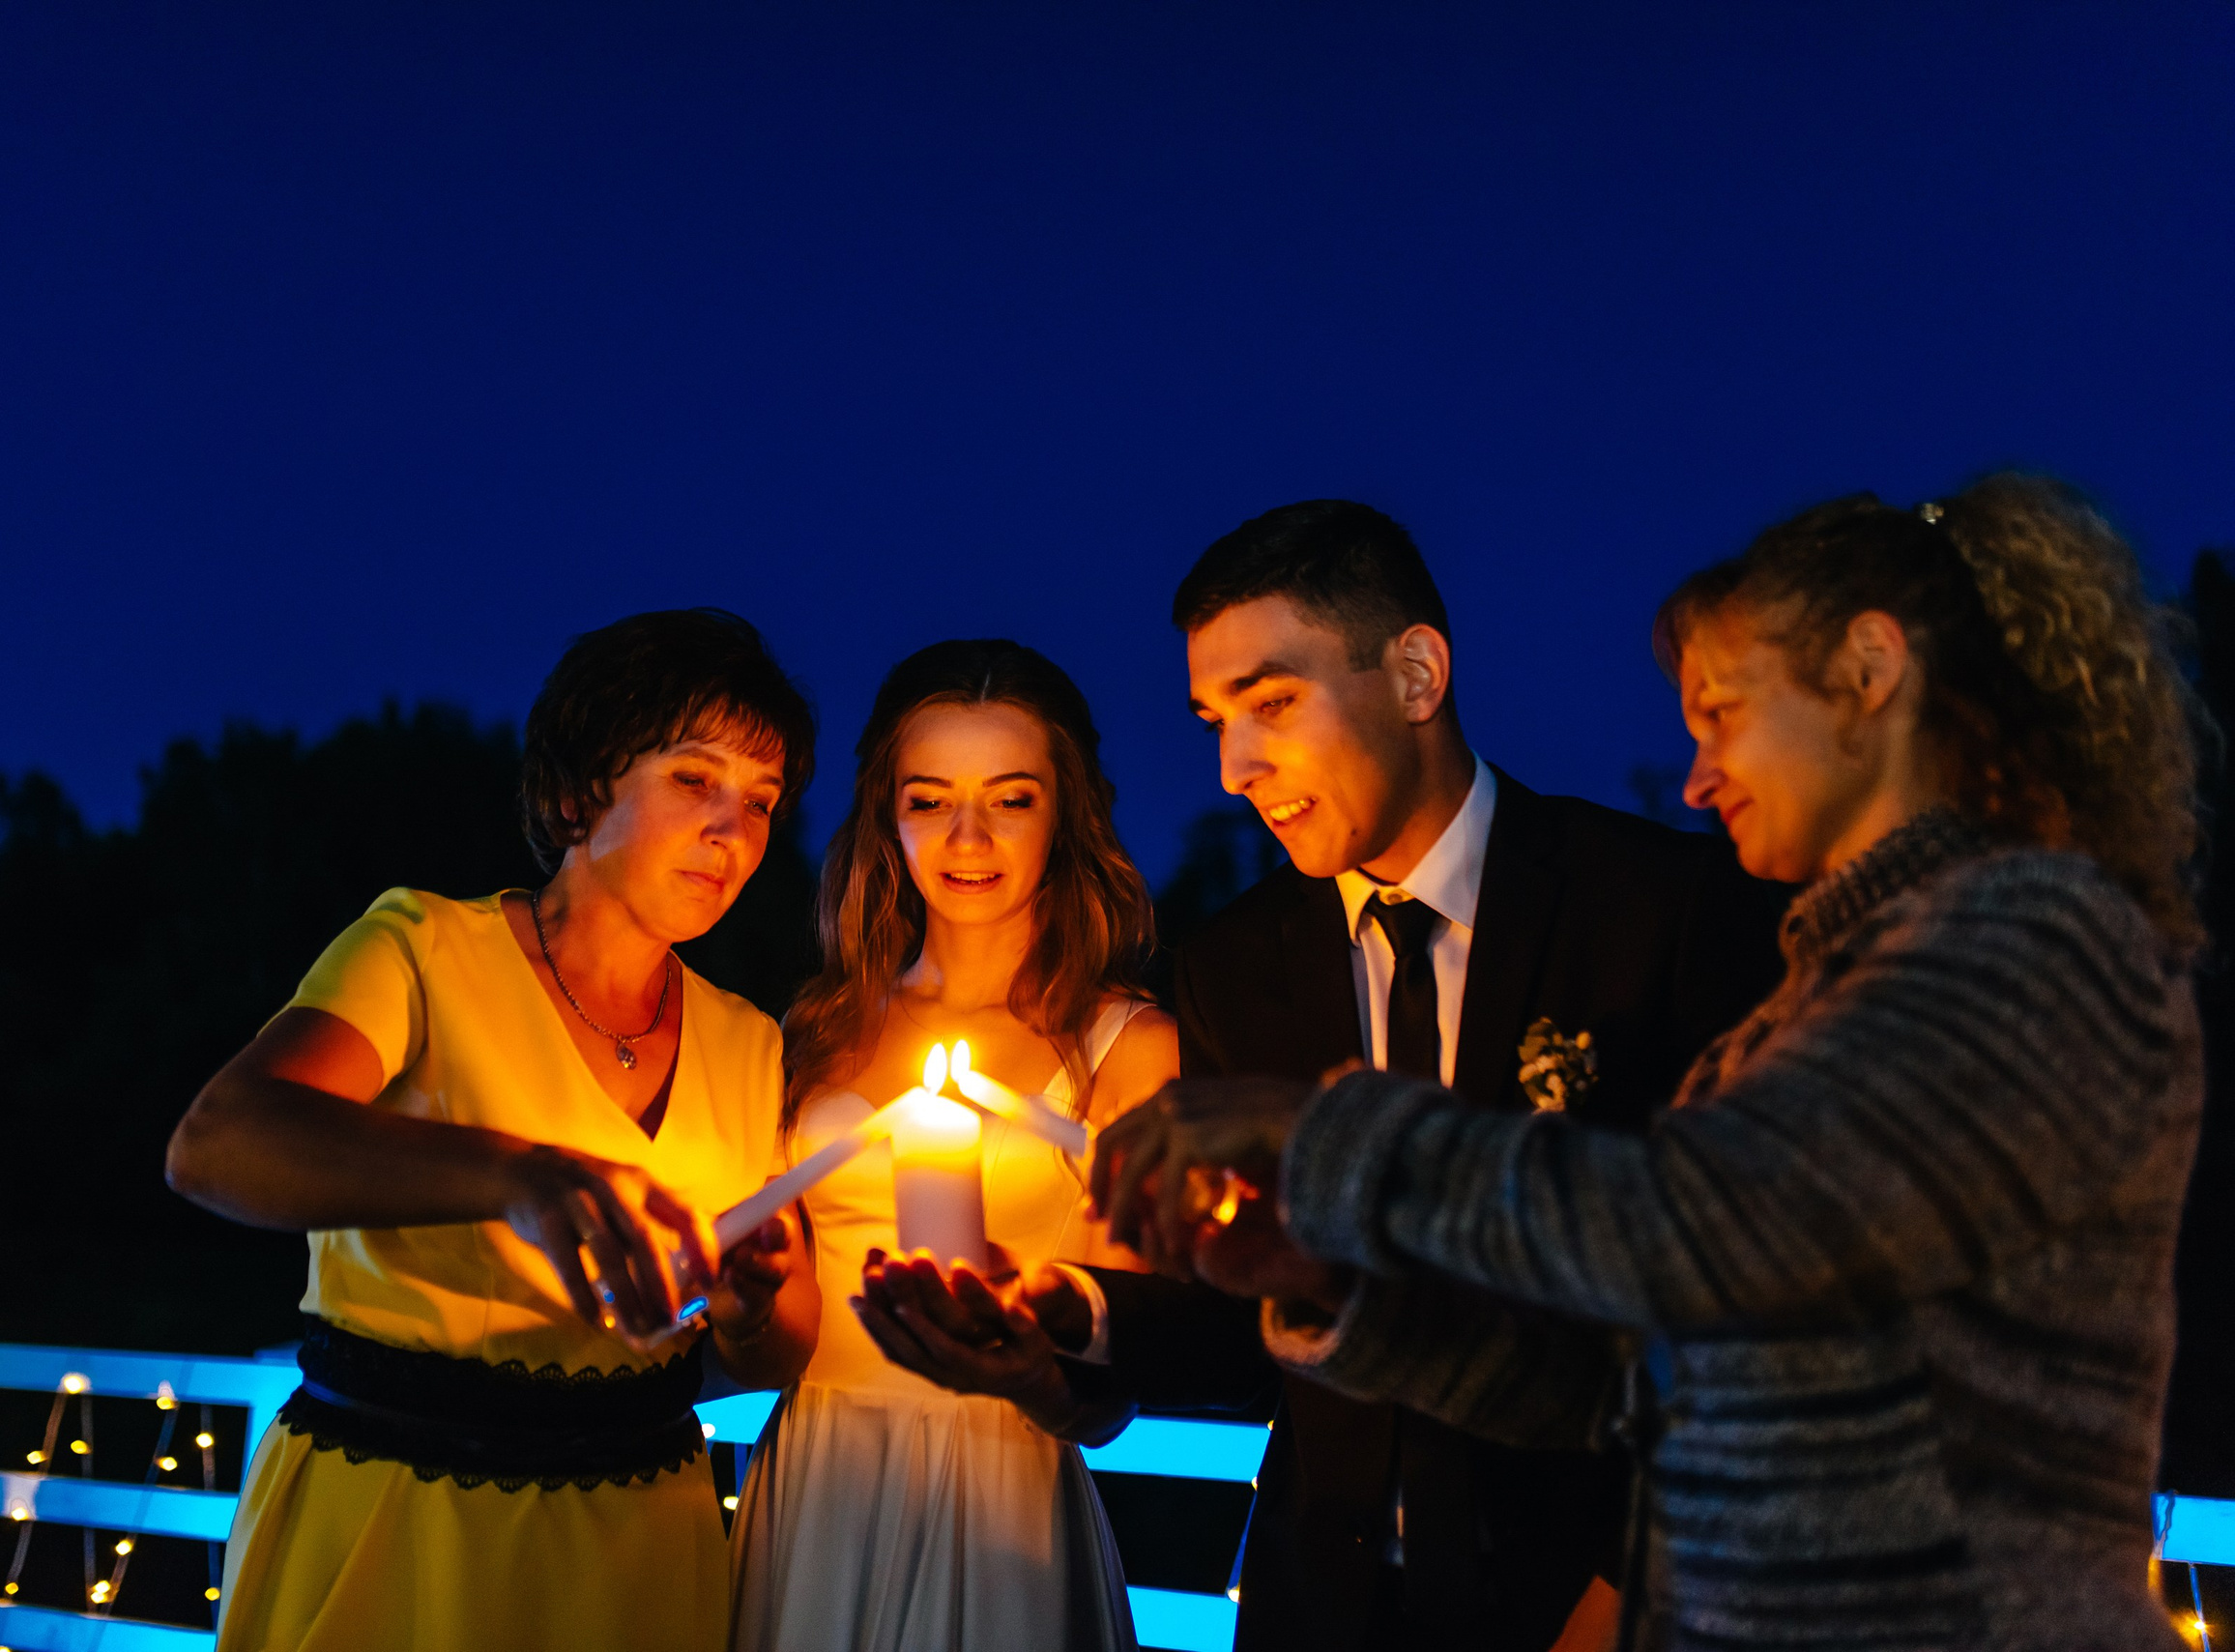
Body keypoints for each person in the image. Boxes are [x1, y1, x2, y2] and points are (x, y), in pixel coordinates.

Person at [1109, 477, 2208, 1650]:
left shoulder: (2025, 933)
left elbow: (1712, 1216)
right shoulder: (1825, 990)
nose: (1692, 778)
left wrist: (1318, 1131)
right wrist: (1333, 1288)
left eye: (1722, 715)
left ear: (1869, 672)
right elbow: (1643, 1375)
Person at [868, 500, 1785, 1652]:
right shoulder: (1232, 964)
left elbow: (1741, 1315)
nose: (1232, 766)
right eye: (1211, 719)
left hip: (1603, 1601)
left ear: (1414, 673)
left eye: (1270, 703)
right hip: (1321, 1606)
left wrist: (1625, 1593)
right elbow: (1249, 1304)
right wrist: (1073, 1312)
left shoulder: (1661, 911)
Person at [164, 608, 823, 1652]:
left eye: (761, 800)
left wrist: (751, 1298)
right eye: (693, 779)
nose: (731, 831)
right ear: (576, 792)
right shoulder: (421, 948)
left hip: (639, 1545)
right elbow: (219, 1141)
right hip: (396, 1522)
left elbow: (780, 1347)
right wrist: (519, 1174)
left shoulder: (748, 1041)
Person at [726, 638, 1179, 1652]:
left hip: (1002, 1486)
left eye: (1010, 798)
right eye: (928, 798)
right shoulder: (818, 1029)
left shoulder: (1127, 1047)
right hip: (817, 1473)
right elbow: (774, 1324)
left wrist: (1026, 1359)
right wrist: (740, 1296)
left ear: (1064, 814)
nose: (966, 836)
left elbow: (1123, 1369)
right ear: (887, 816)